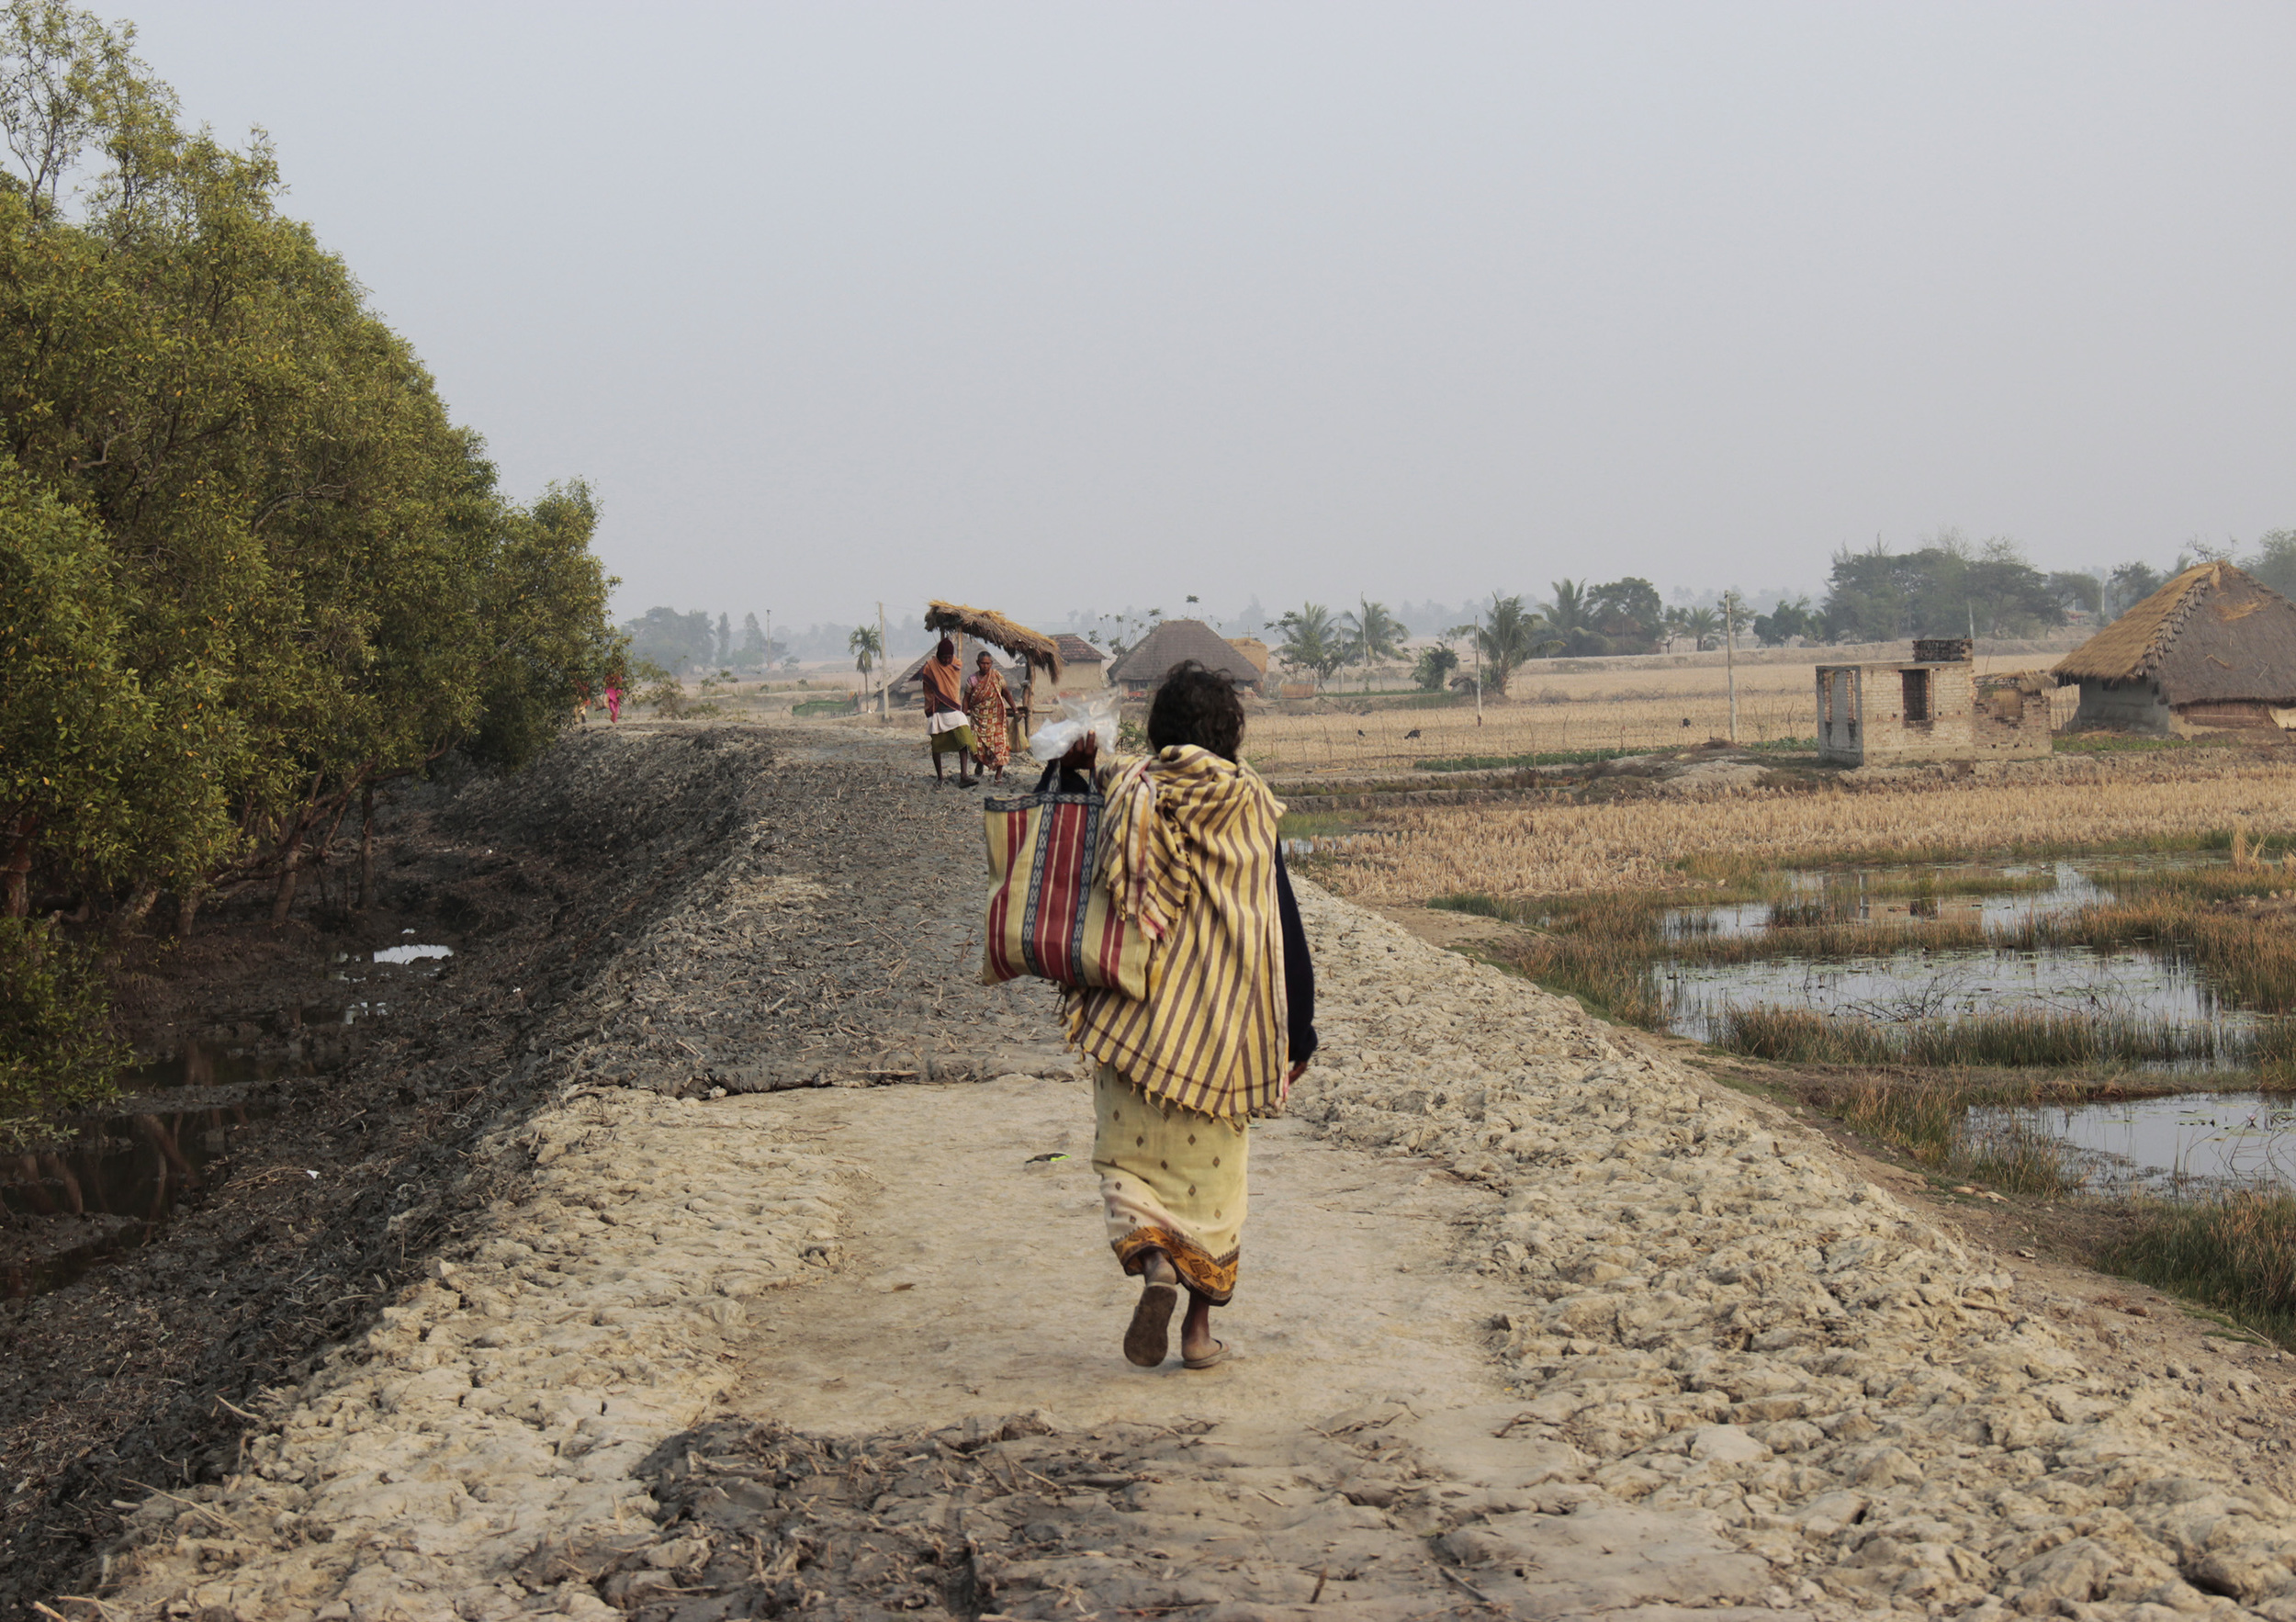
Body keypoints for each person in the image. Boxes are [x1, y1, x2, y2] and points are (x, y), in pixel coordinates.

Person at [1064, 661, 1316, 1370]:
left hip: (1137, 1032)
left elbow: (1088, 878)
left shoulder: (1130, 795)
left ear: (1160, 730)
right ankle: (1199, 1336)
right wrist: (1301, 1030)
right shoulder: (1252, 810)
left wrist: (1080, 775)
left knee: (1130, 1167)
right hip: (1225, 1040)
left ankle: (1154, 1266)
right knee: (1213, 1191)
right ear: (1230, 732)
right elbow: (1280, 926)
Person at [919, 636, 978, 786]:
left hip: (953, 708)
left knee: (964, 740)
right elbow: (926, 687)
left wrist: (946, 696)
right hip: (938, 711)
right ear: (938, 656)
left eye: (948, 657)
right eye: (943, 657)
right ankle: (940, 777)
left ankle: (964, 775)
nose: (946, 660)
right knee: (937, 745)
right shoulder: (930, 667)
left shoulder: (956, 665)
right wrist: (936, 697)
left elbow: (953, 686)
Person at [964, 648, 1016, 785]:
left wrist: (1015, 709)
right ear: (977, 663)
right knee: (978, 746)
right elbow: (966, 699)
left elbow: (1006, 693)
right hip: (978, 718)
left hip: (996, 719)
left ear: (991, 663)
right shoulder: (972, 680)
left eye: (987, 664)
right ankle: (980, 764)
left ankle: (998, 776)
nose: (985, 666)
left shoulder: (997, 676)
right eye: (982, 663)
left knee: (1001, 746)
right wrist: (963, 716)